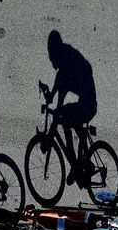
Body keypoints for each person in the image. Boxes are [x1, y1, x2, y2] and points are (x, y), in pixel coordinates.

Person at [42, 30, 97, 181]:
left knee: (64, 118)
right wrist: (52, 96)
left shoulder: (66, 61)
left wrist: (55, 101)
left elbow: (62, 85)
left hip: (88, 105)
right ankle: (79, 163)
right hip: (88, 103)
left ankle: (76, 165)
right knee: (66, 116)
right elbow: (59, 82)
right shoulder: (66, 55)